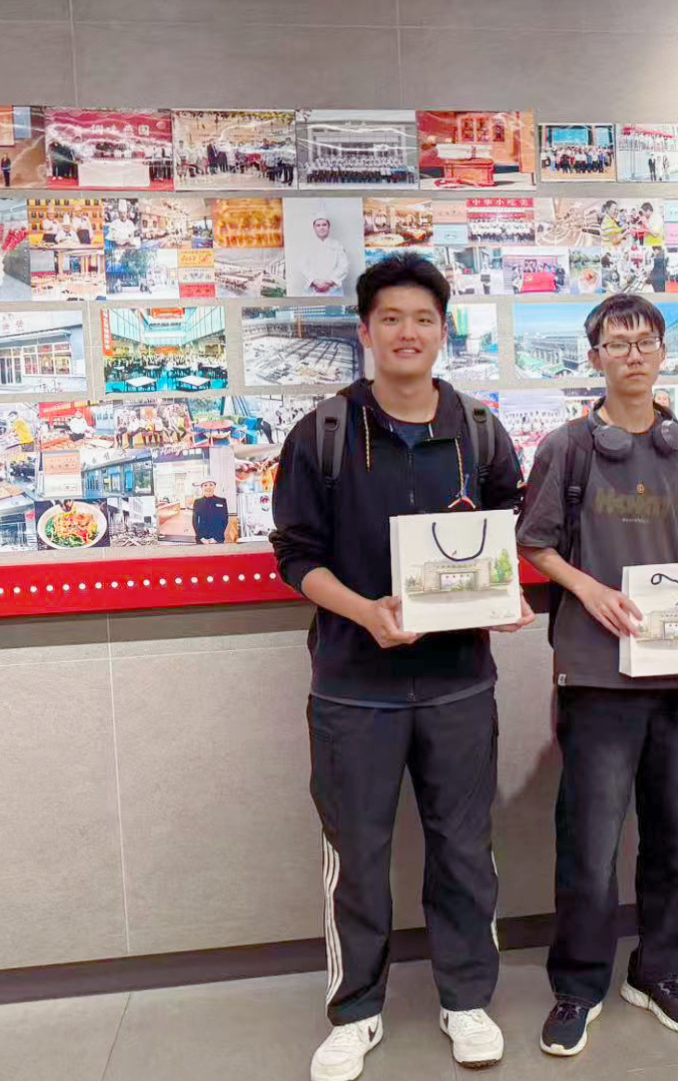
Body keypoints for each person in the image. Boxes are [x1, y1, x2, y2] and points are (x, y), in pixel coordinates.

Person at [271, 254, 533, 1081]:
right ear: (365, 331)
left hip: (459, 683)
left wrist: (504, 597)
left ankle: (466, 999)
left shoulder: (480, 430)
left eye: (422, 318)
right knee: (356, 854)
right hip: (353, 686)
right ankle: (355, 1010)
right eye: (390, 318)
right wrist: (364, 612)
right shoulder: (322, 433)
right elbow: (296, 557)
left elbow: (505, 538)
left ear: (442, 331)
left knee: (464, 847)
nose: (406, 332)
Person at [517, 293, 678, 1058]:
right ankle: (579, 984)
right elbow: (535, 543)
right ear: (595, 357)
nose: (633, 354)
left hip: (672, 673)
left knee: (671, 836)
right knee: (590, 841)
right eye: (617, 342)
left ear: (663, 353)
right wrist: (591, 590)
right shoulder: (568, 447)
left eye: (645, 341)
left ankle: (656, 969)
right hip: (595, 673)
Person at [294, 214, 352, 296]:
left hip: (333, 290)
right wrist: (315, 282)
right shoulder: (307, 246)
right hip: (312, 291)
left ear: (328, 227)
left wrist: (330, 282)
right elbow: (303, 266)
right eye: (318, 225)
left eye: (324, 225)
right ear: (314, 228)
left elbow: (344, 265)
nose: (321, 228)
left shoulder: (337, 245)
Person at [191, 479, 229, 544]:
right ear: (202, 487)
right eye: (205, 485)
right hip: (202, 539)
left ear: (214, 486)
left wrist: (216, 538)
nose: (208, 487)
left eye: (211, 485)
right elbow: (195, 521)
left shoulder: (222, 501)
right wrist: (201, 538)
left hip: (218, 538)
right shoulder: (197, 502)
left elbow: (225, 520)